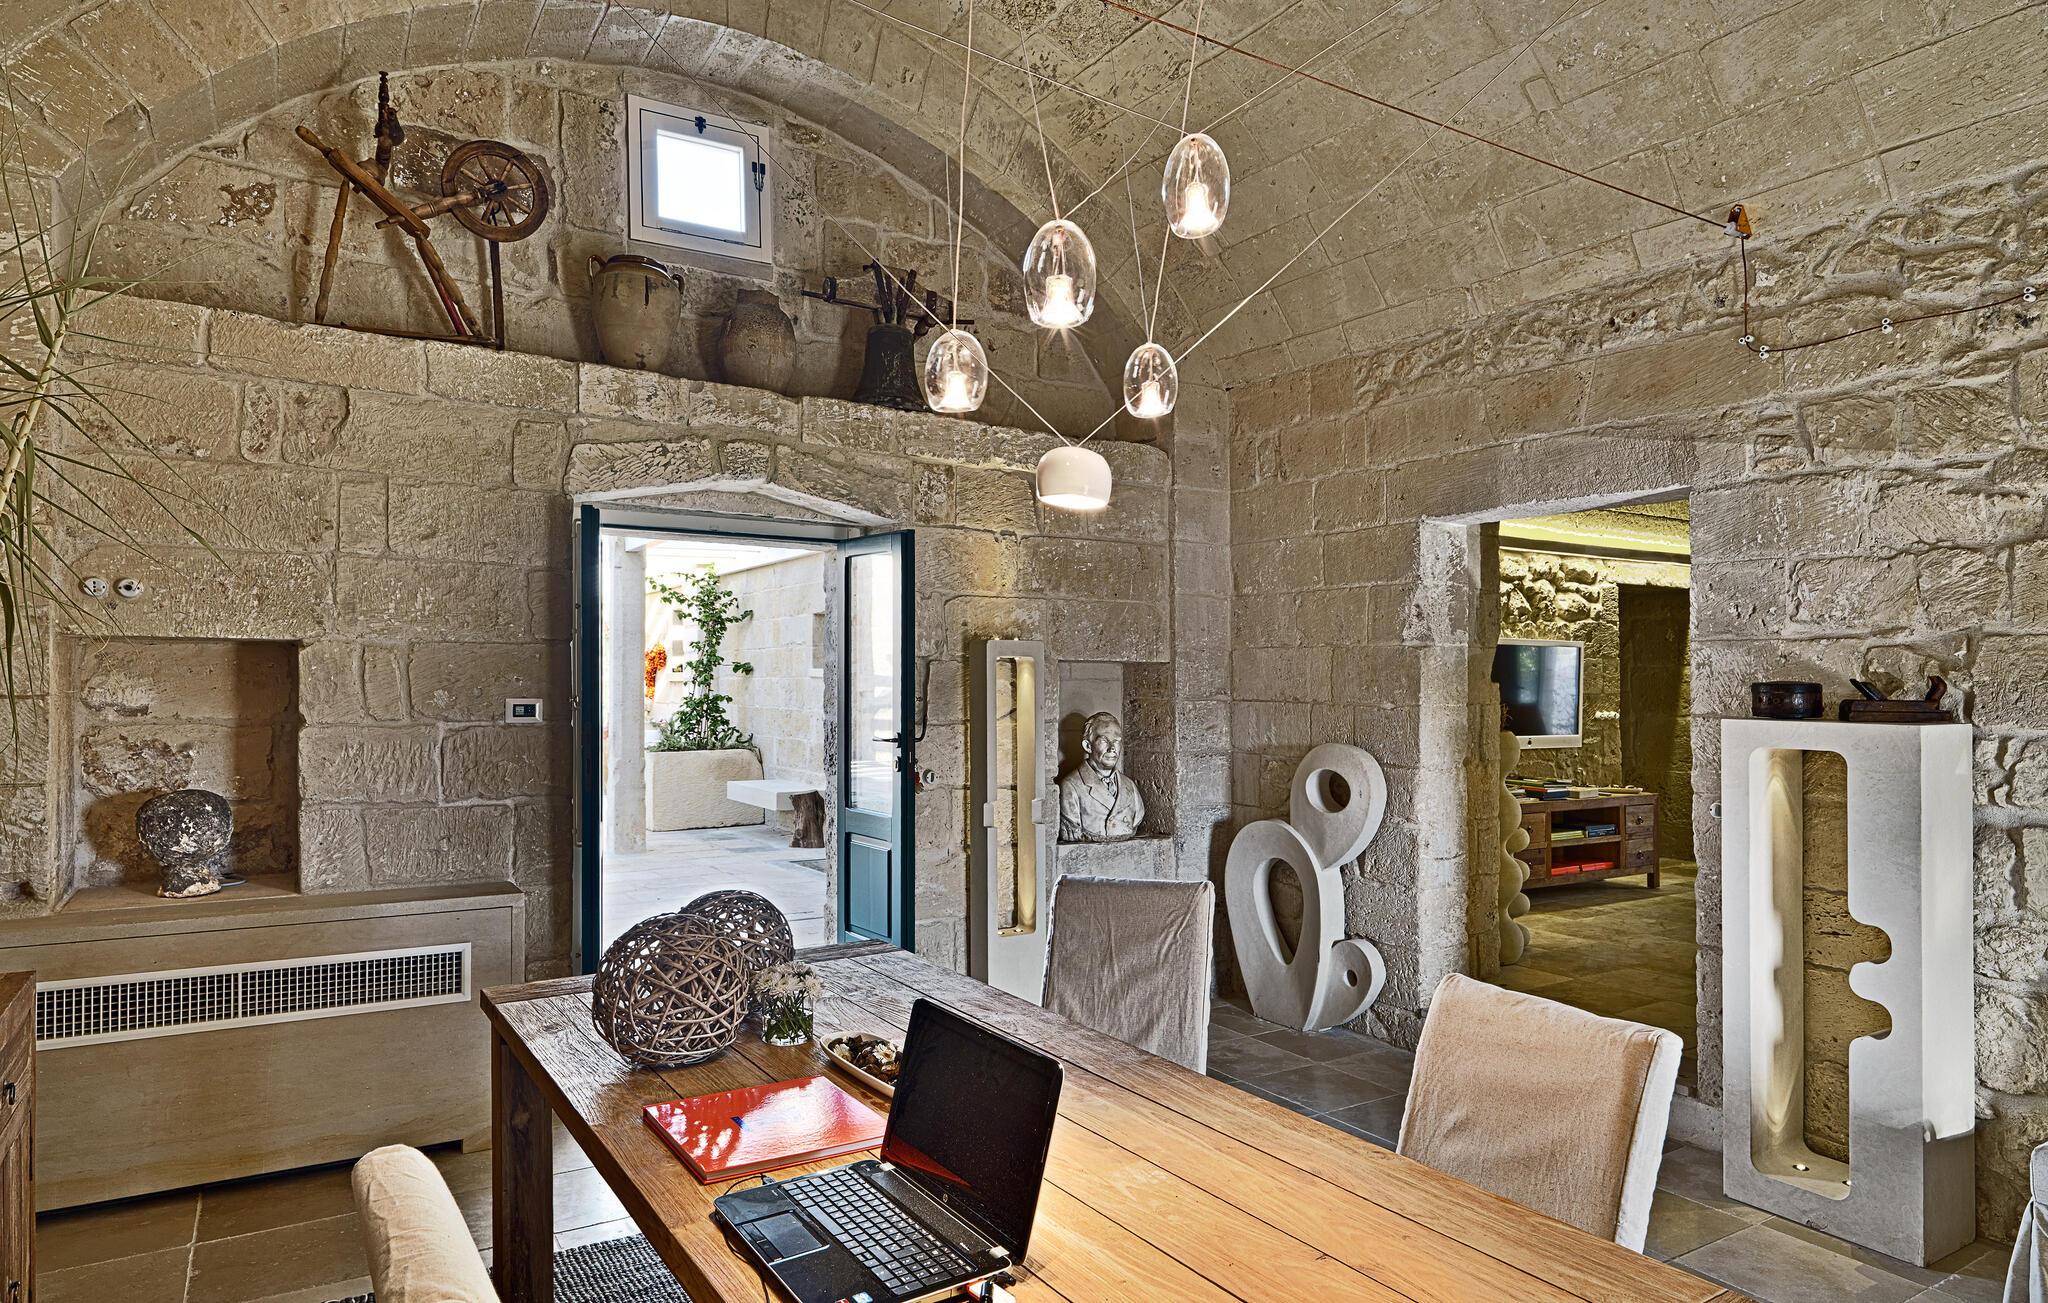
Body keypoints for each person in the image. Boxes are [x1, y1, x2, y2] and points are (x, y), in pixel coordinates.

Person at [1057, 712, 1145, 843]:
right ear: (1088, 746)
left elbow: (1137, 818)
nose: (1112, 748)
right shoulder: (1071, 787)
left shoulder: (1130, 786)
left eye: (1116, 741)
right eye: (1104, 741)